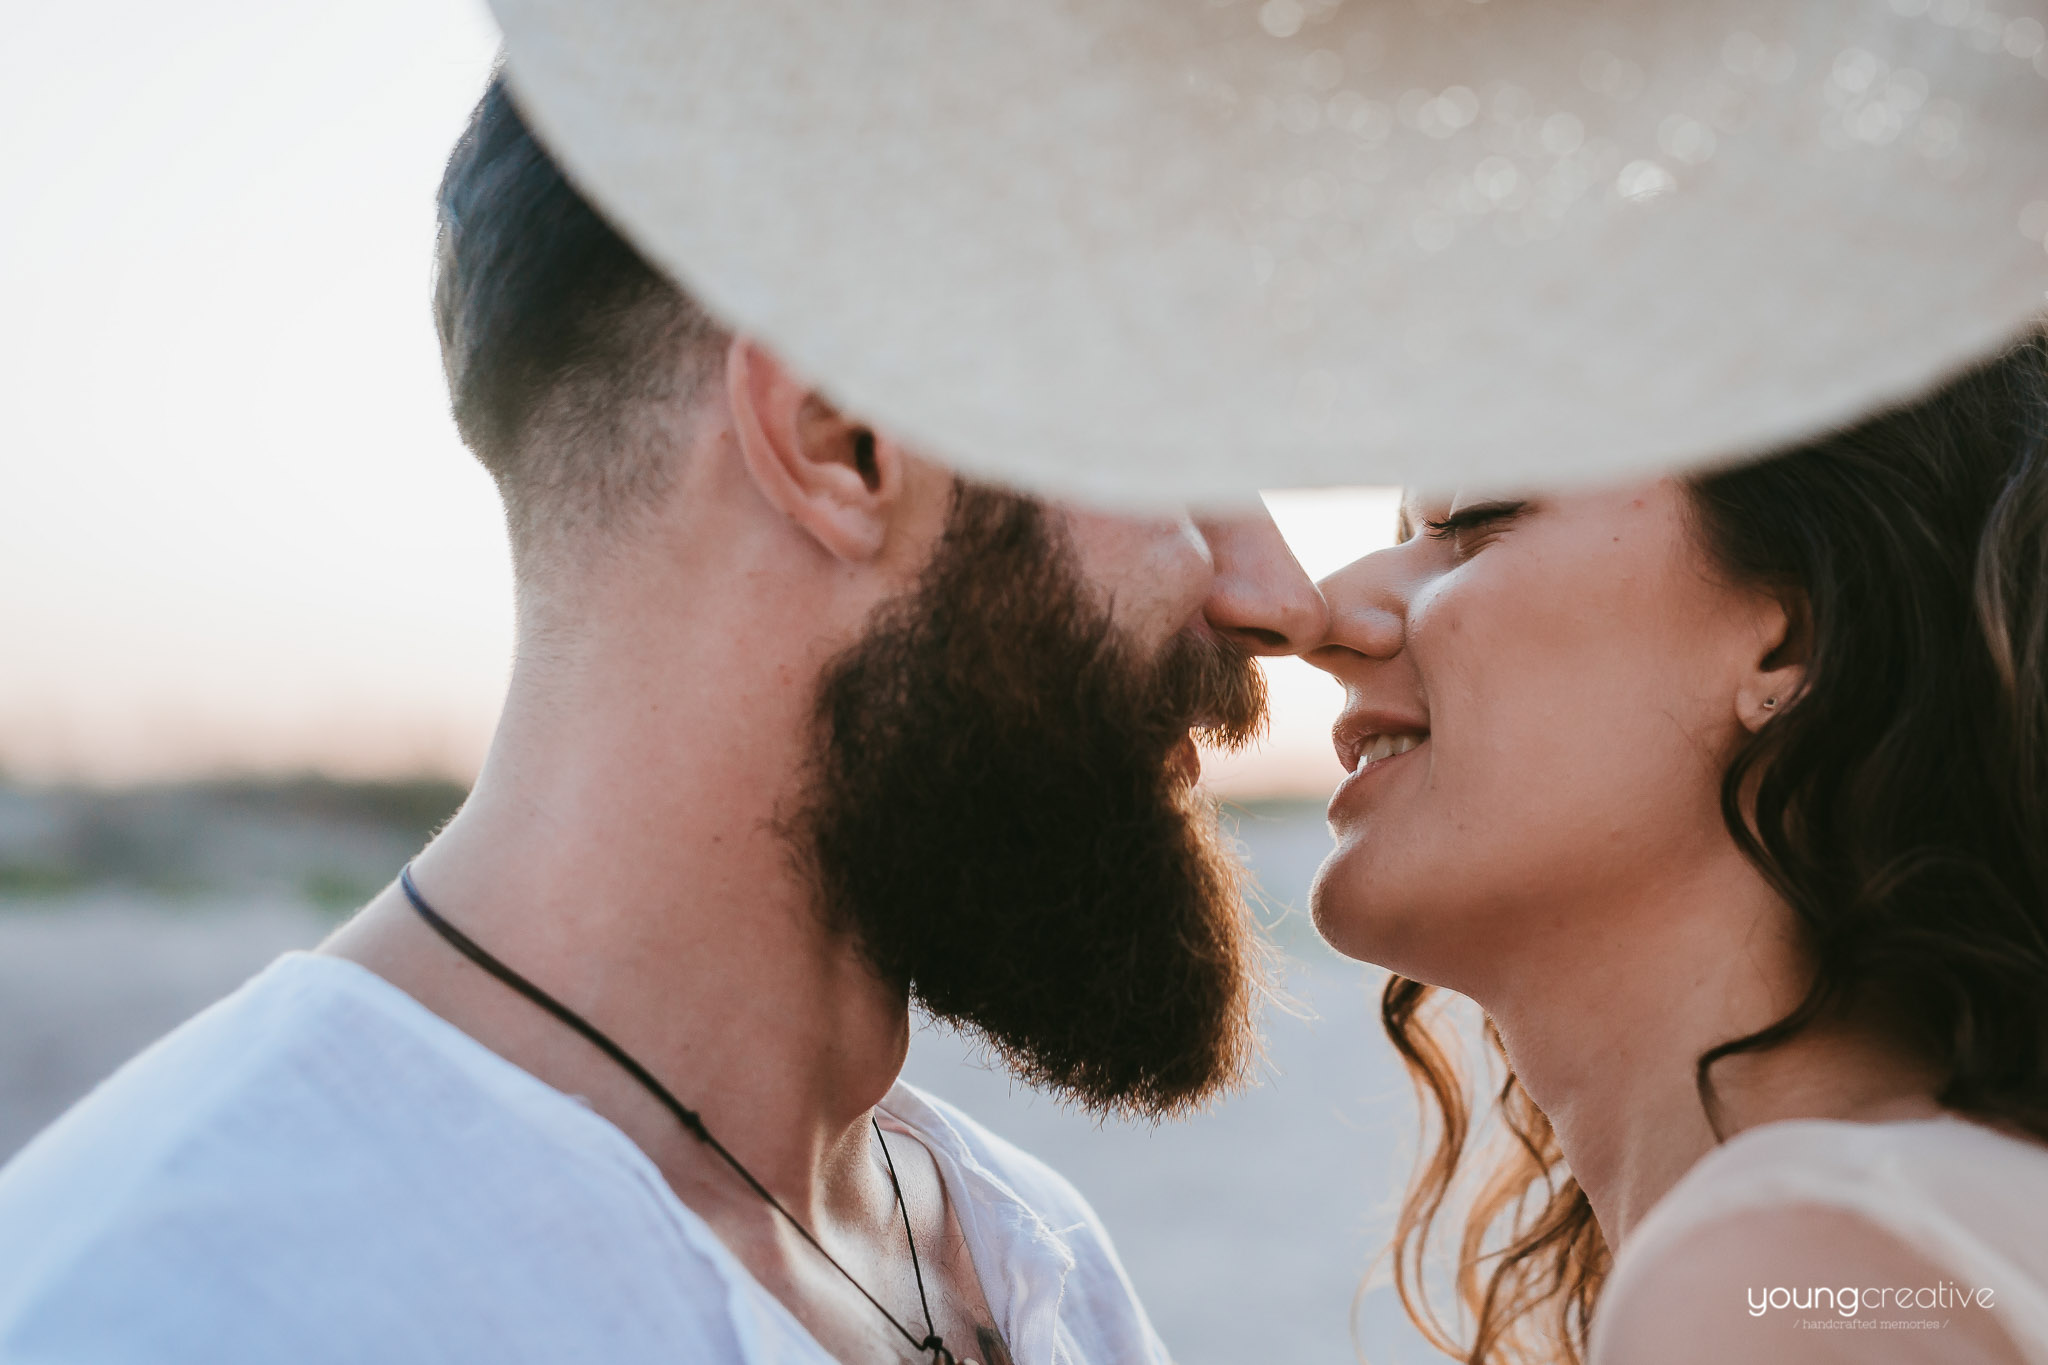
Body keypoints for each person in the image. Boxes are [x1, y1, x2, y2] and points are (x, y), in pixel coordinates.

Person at [0, 77, 1328, 1365]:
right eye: (1171, 441)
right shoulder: (182, 1307)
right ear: (840, 439)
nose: (1278, 593)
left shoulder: (1031, 1258)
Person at [1305, 330, 2048, 1364]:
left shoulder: (1799, 1269)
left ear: (1789, 638)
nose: (1323, 610)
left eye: (1474, 524)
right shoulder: (1927, 1231)